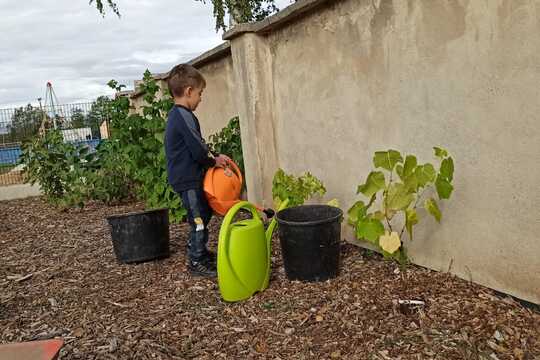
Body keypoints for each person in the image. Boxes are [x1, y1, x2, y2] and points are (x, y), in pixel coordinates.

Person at [164, 64, 229, 277]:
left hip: (191, 177)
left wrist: (214, 155)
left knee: (203, 212)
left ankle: (198, 250)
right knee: (198, 218)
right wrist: (213, 161)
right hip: (186, 179)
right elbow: (197, 148)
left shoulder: (181, 115)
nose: (201, 99)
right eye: (200, 94)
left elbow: (198, 142)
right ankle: (195, 261)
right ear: (189, 91)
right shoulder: (182, 115)